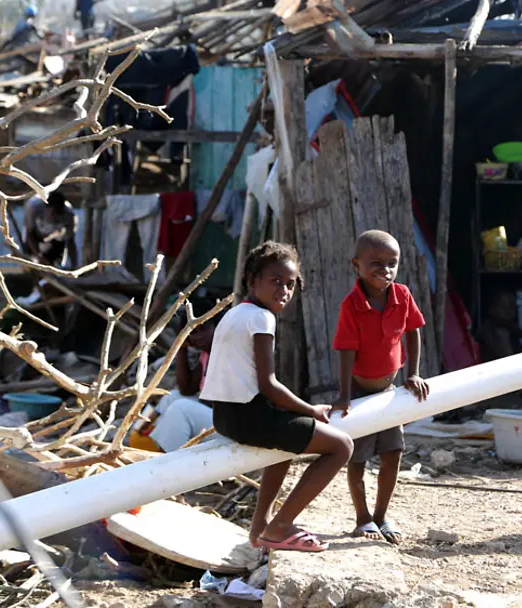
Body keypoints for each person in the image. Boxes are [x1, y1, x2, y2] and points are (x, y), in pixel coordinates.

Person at [200, 241, 353, 553]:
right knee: (341, 446)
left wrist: (299, 412)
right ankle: (281, 526)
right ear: (252, 280)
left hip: (226, 417)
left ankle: (260, 527)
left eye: (290, 284)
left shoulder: (235, 314)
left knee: (284, 443)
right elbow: (268, 385)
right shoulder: (261, 318)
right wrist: (311, 410)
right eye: (276, 281)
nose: (284, 290)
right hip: (249, 417)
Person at [332, 229, 429, 545]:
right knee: (357, 457)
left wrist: (412, 374)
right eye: (375, 263)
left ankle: (382, 515)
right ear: (356, 264)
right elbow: (346, 351)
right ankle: (362, 518)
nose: (384, 271)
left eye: (391, 264)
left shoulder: (402, 296)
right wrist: (345, 396)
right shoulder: (352, 305)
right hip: (360, 392)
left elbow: (413, 331)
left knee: (393, 452)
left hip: (388, 391)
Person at [129, 317, 215, 452]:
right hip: (215, 413)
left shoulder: (226, 352)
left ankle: (165, 458)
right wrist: (181, 347)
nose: (198, 337)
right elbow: (187, 389)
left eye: (203, 329)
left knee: (180, 408)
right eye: (193, 332)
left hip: (231, 421)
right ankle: (138, 438)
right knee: (171, 397)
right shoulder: (207, 354)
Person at [18, 192, 78, 307]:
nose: (55, 218)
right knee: (33, 265)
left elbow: (70, 242)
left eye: (58, 215)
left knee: (53, 266)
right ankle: (34, 292)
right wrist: (38, 256)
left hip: (55, 236)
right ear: (46, 208)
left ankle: (50, 293)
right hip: (36, 234)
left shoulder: (69, 215)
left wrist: (75, 266)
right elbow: (29, 234)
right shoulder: (33, 208)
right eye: (53, 214)